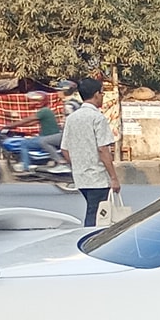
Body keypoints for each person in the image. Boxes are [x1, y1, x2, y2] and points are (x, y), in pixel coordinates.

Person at [61, 77, 122, 228]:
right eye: (102, 93)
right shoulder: (97, 118)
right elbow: (103, 149)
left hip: (81, 177)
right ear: (96, 95)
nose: (102, 96)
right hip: (97, 178)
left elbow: (65, 149)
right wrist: (113, 177)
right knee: (95, 215)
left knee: (94, 210)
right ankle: (88, 241)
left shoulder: (72, 118)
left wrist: (78, 165)